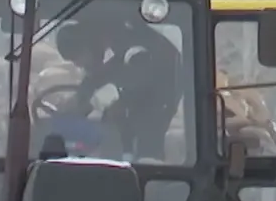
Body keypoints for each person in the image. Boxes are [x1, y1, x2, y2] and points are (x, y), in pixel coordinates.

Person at [50, 11, 184, 160]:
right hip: (129, 94)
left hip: (162, 91)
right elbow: (96, 78)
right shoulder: (102, 54)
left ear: (88, 44)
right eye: (74, 61)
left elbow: (141, 73)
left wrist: (107, 95)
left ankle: (144, 162)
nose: (79, 65)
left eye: (78, 57)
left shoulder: (131, 41)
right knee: (109, 128)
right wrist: (76, 102)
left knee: (145, 135)